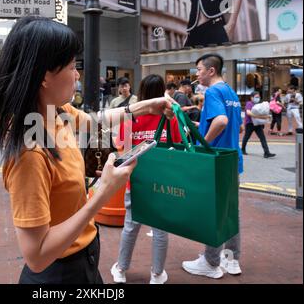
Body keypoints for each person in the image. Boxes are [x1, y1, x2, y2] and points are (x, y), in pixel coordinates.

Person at [0, 16, 173, 284]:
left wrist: (146, 106)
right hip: (60, 274)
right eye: (72, 66)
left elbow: (93, 120)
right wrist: (102, 194)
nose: (77, 75)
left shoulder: (55, 111)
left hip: (85, 259)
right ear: (44, 76)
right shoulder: (29, 153)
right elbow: (37, 256)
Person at [110, 74, 182, 285]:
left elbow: (121, 146)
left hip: (137, 180)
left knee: (131, 226)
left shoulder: (133, 116)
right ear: (163, 91)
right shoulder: (170, 117)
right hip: (163, 180)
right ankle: (157, 274)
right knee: (160, 229)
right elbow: (176, 144)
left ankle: (121, 269)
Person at [182, 53, 243, 279]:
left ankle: (210, 261)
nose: (196, 74)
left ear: (210, 71)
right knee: (230, 211)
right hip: (231, 159)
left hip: (215, 160)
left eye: (199, 69)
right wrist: (201, 124)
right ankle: (232, 259)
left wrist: (205, 143)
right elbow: (236, 126)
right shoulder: (231, 93)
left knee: (213, 211)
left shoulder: (213, 92)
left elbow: (221, 121)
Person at [241, 92, 276, 158]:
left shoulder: (259, 104)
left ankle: (267, 152)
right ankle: (242, 149)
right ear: (251, 97)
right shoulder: (249, 103)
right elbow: (248, 113)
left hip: (257, 124)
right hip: (250, 124)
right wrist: (261, 117)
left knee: (262, 138)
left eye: (258, 97)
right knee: (246, 137)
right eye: (256, 97)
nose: (258, 98)